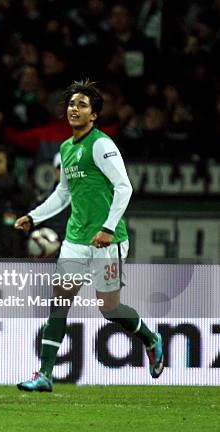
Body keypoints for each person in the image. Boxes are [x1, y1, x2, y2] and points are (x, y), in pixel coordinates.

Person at [14, 80, 164, 392]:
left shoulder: (101, 145)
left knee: (109, 309)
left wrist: (108, 228)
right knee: (59, 303)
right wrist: (34, 216)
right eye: (71, 103)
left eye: (82, 105)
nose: (74, 108)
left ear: (94, 115)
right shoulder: (66, 148)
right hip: (75, 239)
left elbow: (125, 187)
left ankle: (150, 339)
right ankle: (44, 374)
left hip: (108, 240)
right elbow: (62, 194)